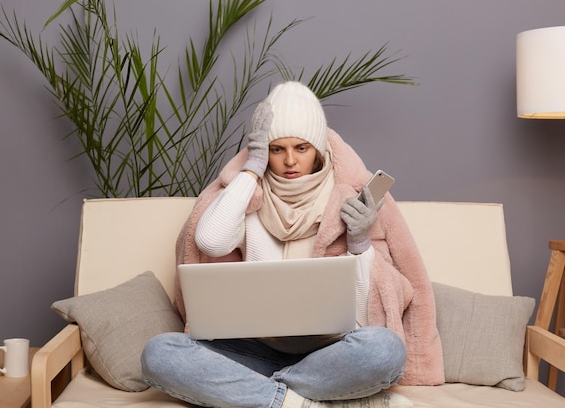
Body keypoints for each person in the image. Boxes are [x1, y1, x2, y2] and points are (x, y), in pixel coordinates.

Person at [141, 81, 444, 408]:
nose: (289, 161)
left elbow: (364, 313)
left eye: (301, 148)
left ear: (319, 150)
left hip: (328, 355)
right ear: (263, 149)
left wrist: (359, 242)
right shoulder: (248, 199)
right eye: (276, 149)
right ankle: (298, 401)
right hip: (252, 349)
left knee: (386, 350)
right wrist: (252, 169)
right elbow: (210, 241)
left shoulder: (345, 200)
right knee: (159, 353)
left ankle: (258, 393)